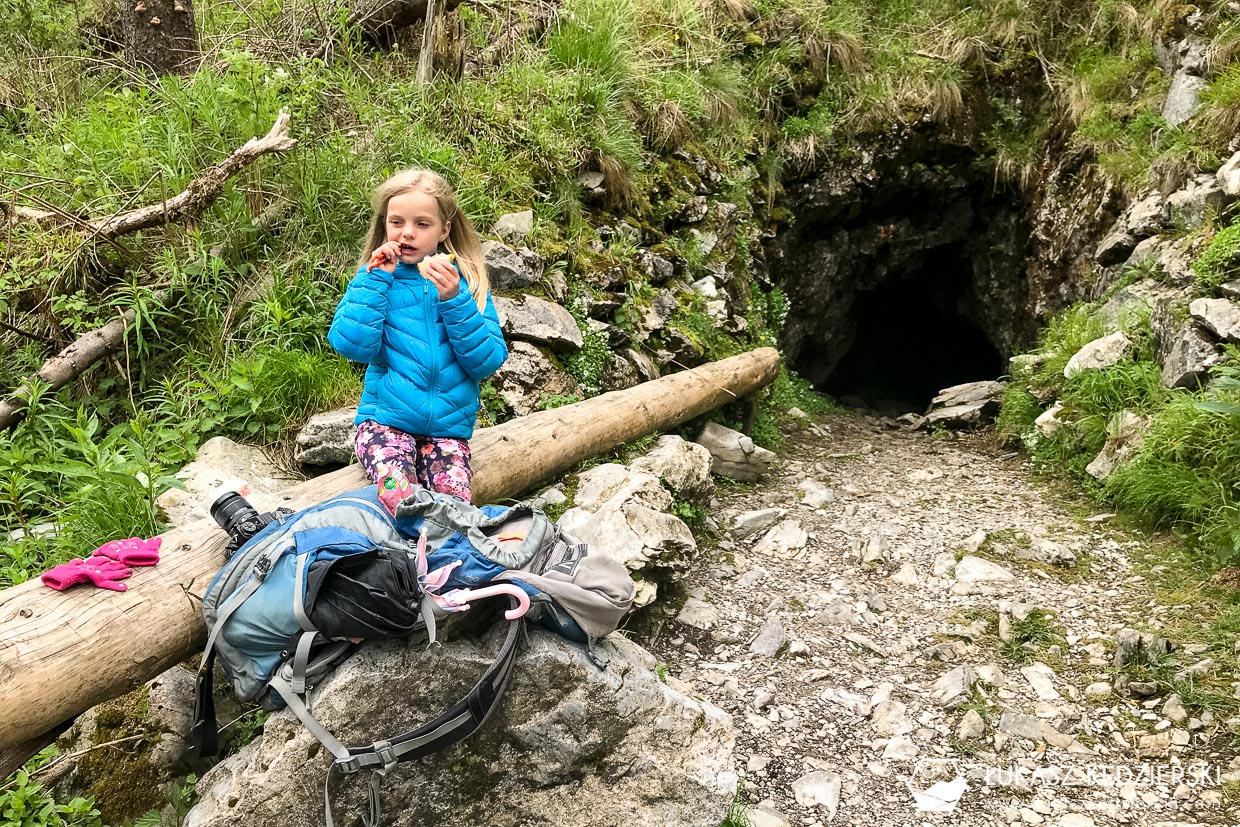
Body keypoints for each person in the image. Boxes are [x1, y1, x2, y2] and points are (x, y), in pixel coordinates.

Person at [328, 169, 507, 503]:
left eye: (422, 224)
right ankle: (401, 553)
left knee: (453, 503)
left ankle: (440, 555)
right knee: (401, 497)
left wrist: (455, 301)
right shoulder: (377, 279)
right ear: (384, 225)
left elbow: (486, 362)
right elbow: (351, 345)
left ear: (444, 230)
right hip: (385, 423)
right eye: (397, 222)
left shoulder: (465, 284)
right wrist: (375, 280)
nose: (407, 233)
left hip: (447, 431)